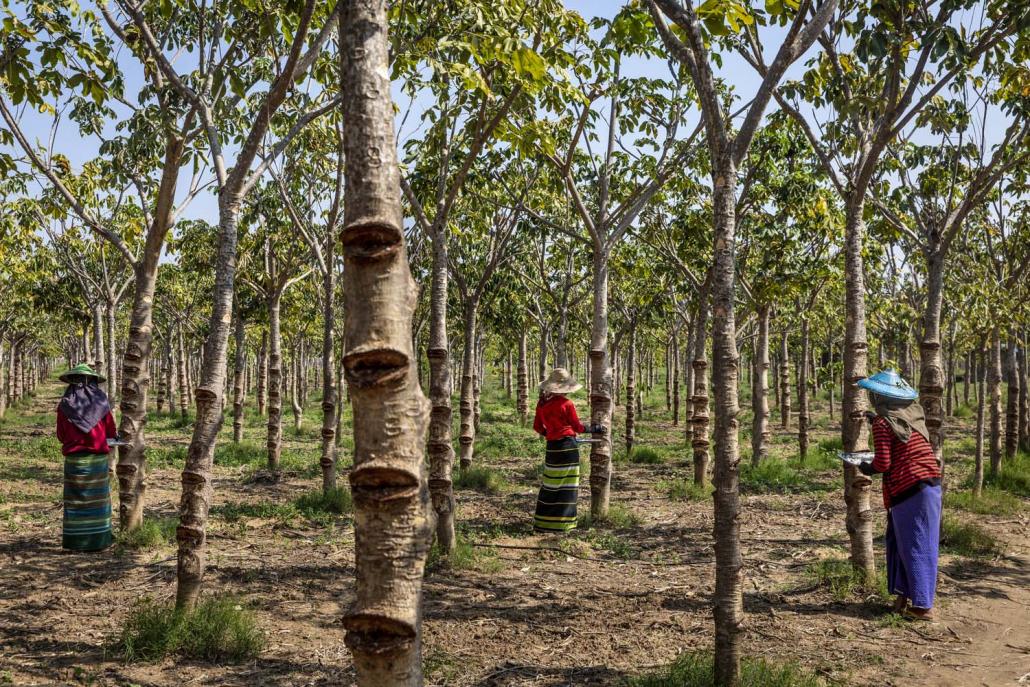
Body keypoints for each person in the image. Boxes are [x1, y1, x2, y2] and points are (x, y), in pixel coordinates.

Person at [856, 369, 941, 621]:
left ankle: (923, 607)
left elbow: (883, 462)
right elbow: (900, 440)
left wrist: (864, 465)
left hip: (909, 489)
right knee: (907, 542)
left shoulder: (884, 423)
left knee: (914, 546)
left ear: (880, 398)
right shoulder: (911, 418)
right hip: (930, 485)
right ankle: (904, 596)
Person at [532, 368, 602, 533]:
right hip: (567, 448)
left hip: (552, 449)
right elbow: (577, 427)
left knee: (550, 484)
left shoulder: (542, 404)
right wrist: (595, 428)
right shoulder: (567, 404)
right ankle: (564, 525)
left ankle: (544, 523)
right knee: (568, 486)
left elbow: (537, 427)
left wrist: (550, 433)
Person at [56, 364, 117, 552]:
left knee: (75, 503)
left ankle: (76, 543)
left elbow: (61, 435)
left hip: (74, 462)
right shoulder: (101, 404)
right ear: (92, 382)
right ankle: (99, 541)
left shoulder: (64, 406)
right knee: (98, 502)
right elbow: (111, 432)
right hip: (96, 462)